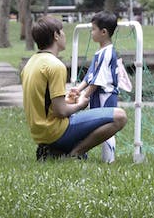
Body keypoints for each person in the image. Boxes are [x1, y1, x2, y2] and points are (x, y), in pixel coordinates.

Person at [21, 15, 127, 161]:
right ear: (56, 36)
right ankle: (75, 153)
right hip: (55, 131)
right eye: (62, 32)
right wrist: (80, 105)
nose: (65, 35)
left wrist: (67, 101)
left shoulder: (31, 64)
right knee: (120, 116)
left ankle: (54, 150)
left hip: (39, 134)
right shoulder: (55, 65)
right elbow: (61, 111)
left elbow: (44, 103)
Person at [70, 11, 132, 163]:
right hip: (97, 95)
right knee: (94, 126)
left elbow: (99, 80)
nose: (91, 33)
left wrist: (84, 96)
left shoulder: (108, 53)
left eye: (93, 29)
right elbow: (91, 75)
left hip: (106, 95)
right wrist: (78, 89)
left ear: (103, 32)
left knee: (107, 128)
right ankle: (83, 152)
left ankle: (109, 160)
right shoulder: (100, 52)